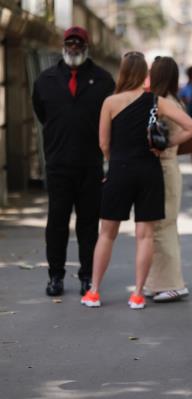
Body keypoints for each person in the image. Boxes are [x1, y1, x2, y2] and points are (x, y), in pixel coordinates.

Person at [80, 51, 192, 310]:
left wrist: (115, 161)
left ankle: (94, 290)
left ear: (122, 72)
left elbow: (103, 142)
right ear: (144, 72)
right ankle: (138, 294)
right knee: (145, 236)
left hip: (120, 170)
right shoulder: (156, 101)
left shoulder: (110, 102)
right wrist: (165, 143)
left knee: (107, 234)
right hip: (150, 171)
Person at [32, 26, 115, 297]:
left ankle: (87, 275)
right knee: (56, 222)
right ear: (64, 45)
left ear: (86, 46)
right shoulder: (45, 80)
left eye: (79, 43)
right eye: (70, 43)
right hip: (57, 164)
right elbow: (42, 112)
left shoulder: (103, 80)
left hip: (90, 164)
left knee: (88, 224)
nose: (74, 47)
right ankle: (55, 276)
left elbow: (109, 121)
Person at [143, 56, 190, 303]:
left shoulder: (165, 103)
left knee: (164, 227)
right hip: (165, 169)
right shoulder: (171, 100)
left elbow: (191, 129)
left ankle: (172, 284)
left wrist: (167, 145)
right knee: (160, 226)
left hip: (165, 169)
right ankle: (157, 282)